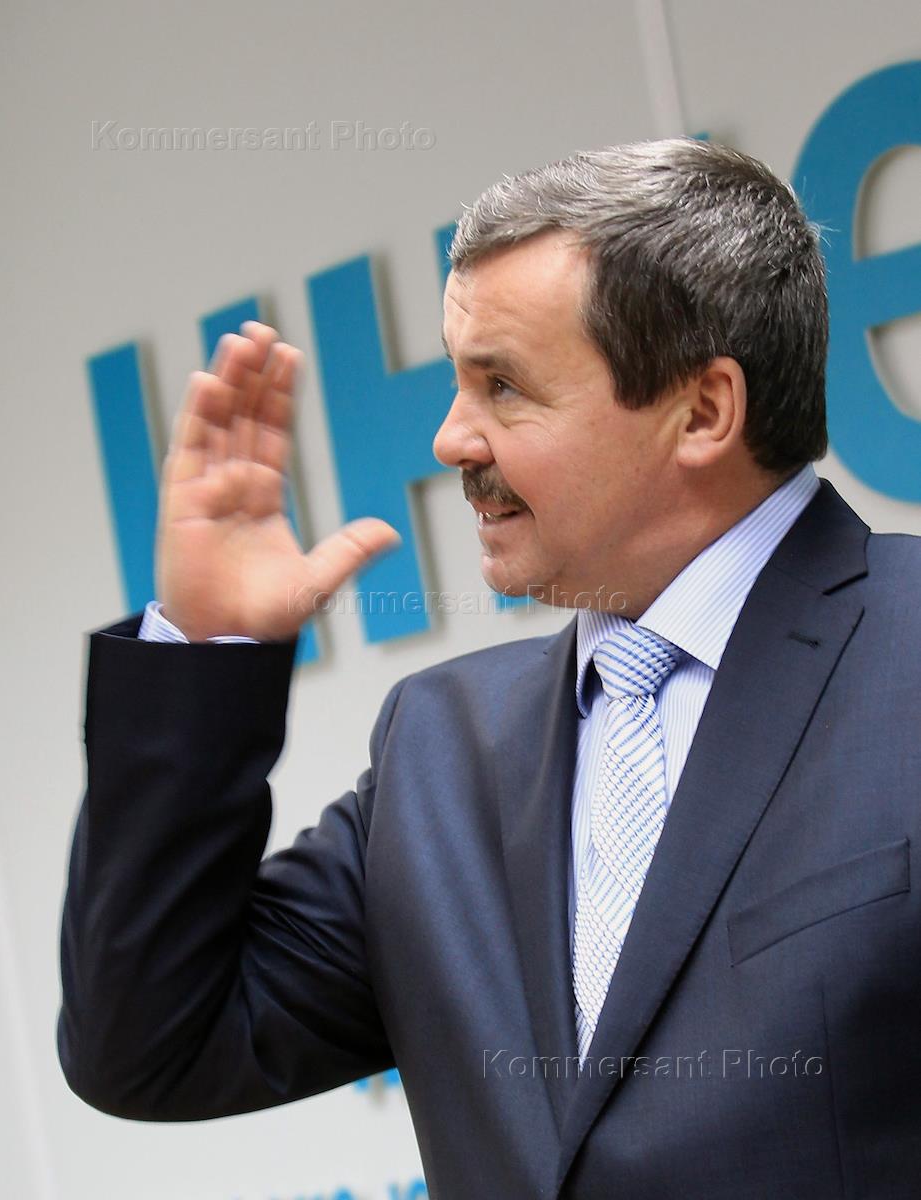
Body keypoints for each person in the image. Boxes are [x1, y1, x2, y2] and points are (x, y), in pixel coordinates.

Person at [59, 139, 921, 1198]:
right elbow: (148, 1045)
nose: (449, 440)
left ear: (702, 412)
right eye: (455, 380)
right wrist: (206, 650)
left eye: (502, 386)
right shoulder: (439, 747)